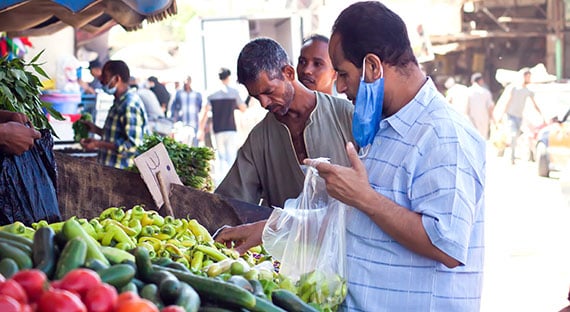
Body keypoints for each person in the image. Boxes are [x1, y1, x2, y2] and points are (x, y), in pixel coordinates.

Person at [216, 2, 486, 311]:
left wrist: (365, 198)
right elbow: (352, 223)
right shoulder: (383, 130)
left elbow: (446, 244)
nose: (340, 86)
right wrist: (274, 228)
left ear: (373, 66)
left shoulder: (442, 134)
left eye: (343, 74)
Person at [214, 37, 354, 208]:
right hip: (288, 236)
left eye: (269, 91)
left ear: (288, 73)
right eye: (257, 97)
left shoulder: (346, 115)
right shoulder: (259, 139)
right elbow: (231, 202)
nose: (264, 103)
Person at [80, 60, 148, 169]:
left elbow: (133, 146)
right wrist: (95, 129)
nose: (101, 80)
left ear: (117, 79)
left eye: (105, 76)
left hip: (120, 172)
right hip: (109, 168)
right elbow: (115, 135)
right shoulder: (119, 101)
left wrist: (98, 144)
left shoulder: (129, 105)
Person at [198, 68, 246, 179]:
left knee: (220, 156)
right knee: (231, 156)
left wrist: (200, 129)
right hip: (231, 128)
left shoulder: (211, 94)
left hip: (217, 128)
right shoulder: (234, 93)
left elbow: (205, 111)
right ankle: (233, 180)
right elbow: (243, 108)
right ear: (228, 77)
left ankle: (221, 181)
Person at [500, 69, 545, 164]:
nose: (529, 78)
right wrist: (502, 114)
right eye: (528, 76)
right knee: (513, 135)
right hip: (511, 115)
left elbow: (534, 104)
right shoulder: (514, 88)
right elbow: (508, 101)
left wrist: (542, 115)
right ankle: (511, 157)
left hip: (519, 116)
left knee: (517, 136)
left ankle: (513, 153)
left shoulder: (528, 91)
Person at [170, 76, 202, 146]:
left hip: (194, 124)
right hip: (181, 125)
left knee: (194, 147)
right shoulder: (178, 93)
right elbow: (173, 109)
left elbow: (200, 109)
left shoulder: (197, 94)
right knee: (181, 146)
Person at [466, 72, 495, 139]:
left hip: (471, 119)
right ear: (481, 81)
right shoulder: (486, 92)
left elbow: (466, 107)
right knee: (482, 138)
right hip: (484, 119)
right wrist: (492, 118)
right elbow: (490, 107)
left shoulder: (468, 91)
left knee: (471, 137)